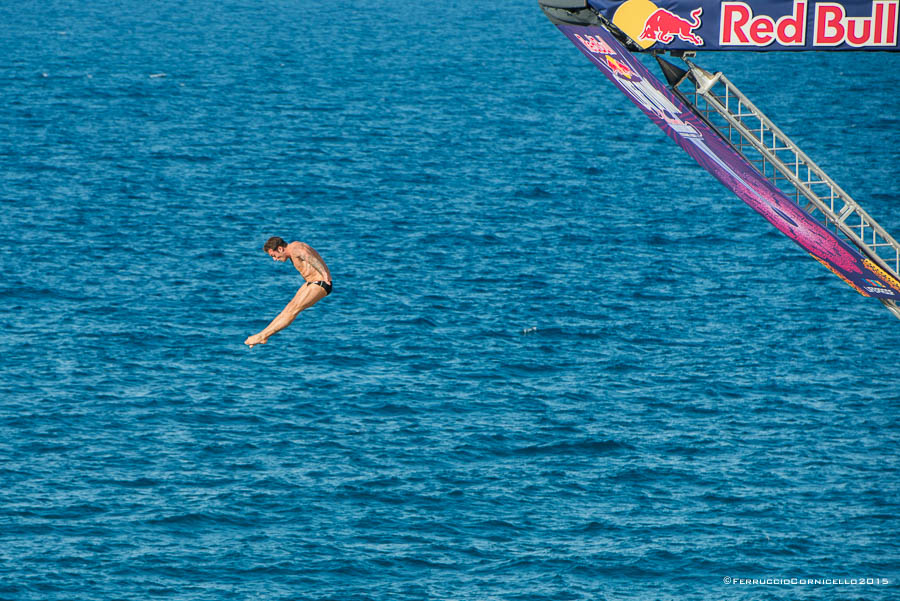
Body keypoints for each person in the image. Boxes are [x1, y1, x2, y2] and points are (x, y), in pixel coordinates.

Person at [244, 236, 332, 348]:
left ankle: (263, 336)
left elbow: (308, 256)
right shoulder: (296, 245)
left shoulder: (295, 249)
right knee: (289, 308)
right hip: (311, 282)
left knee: (293, 310)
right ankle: (263, 335)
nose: (275, 259)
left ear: (280, 249)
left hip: (320, 283)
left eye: (274, 255)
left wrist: (324, 274)